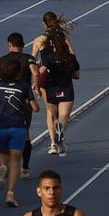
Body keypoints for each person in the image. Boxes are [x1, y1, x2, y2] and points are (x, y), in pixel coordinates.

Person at [0, 59, 39, 208]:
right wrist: (26, 102)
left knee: (4, 155)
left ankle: (2, 167)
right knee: (16, 162)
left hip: (1, 128)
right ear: (18, 73)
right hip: (18, 128)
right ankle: (10, 194)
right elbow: (35, 108)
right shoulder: (23, 87)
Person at [0, 32, 39, 178]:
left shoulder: (1, 60)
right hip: (24, 100)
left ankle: (5, 164)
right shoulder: (29, 58)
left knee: (5, 130)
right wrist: (36, 85)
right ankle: (25, 168)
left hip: (5, 99)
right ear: (23, 45)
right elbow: (35, 73)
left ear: (9, 45)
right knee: (25, 135)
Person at [31, 12, 80, 156]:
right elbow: (73, 56)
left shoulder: (39, 40)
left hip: (47, 79)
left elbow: (31, 61)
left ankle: (53, 144)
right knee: (63, 115)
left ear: (44, 25)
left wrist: (39, 72)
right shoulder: (63, 38)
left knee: (51, 113)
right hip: (63, 78)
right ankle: (61, 138)